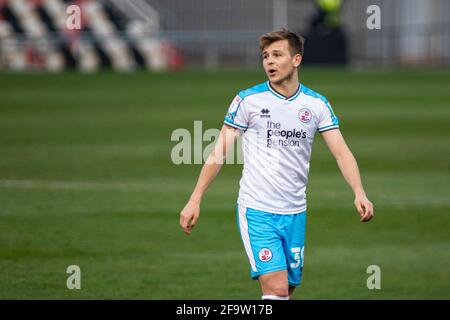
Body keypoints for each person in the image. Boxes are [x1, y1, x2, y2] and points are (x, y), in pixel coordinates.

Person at [179, 29, 374, 300]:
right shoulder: (248, 100)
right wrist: (195, 198)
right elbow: (219, 151)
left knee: (286, 292)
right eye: (265, 56)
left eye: (277, 55)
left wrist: (359, 191)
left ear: (296, 60)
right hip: (258, 210)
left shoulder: (316, 104)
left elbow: (341, 152)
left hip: (295, 212)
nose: (269, 62)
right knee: (277, 290)